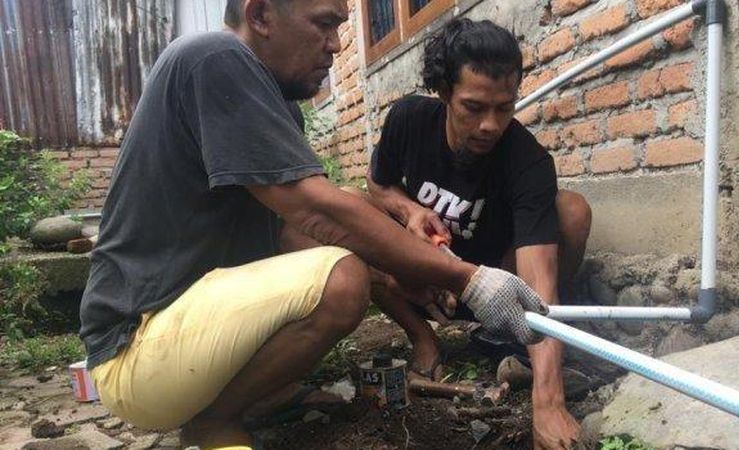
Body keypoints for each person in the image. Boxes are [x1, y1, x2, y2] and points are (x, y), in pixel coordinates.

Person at [78, 1, 549, 447]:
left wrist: (402, 268)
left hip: (187, 331)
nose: (337, 44)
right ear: (260, 14)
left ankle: (263, 394)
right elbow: (315, 210)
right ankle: (213, 422)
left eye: (341, 26)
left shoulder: (276, 103)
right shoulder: (213, 57)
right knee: (341, 279)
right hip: (136, 345)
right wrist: (468, 278)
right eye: (323, 23)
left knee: (351, 246)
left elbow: (292, 228)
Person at [365, 18, 592, 450]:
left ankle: (513, 337)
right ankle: (424, 340)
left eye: (504, 108)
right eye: (474, 107)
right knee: (350, 215)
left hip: (499, 288)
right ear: (445, 92)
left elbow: (539, 278)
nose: (491, 124)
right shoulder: (408, 120)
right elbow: (377, 184)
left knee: (572, 210)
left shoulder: (528, 161)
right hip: (428, 282)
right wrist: (410, 210)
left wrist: (548, 402)